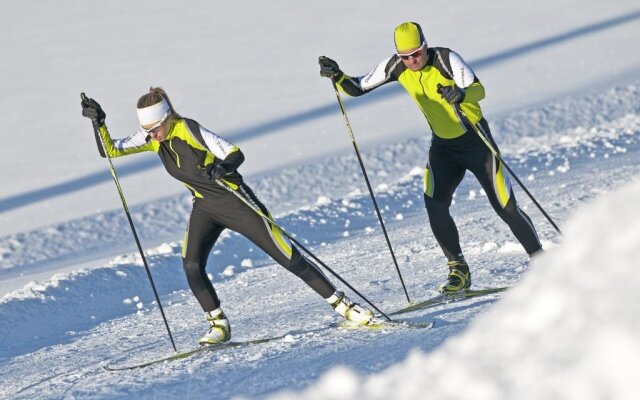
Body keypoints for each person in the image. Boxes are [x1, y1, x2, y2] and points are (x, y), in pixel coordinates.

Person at [81, 87, 374, 345]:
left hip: (235, 201)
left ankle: (345, 307)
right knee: (191, 264)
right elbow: (110, 150)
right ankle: (218, 323)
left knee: (286, 255)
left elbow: (235, 153)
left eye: (156, 128)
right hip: (205, 207)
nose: (152, 135)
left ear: (168, 117)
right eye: (147, 130)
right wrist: (99, 122)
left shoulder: (189, 129)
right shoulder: (153, 137)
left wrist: (222, 168)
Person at [319, 22, 542, 294]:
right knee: (435, 204)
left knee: (505, 207)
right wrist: (337, 75)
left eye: (416, 53)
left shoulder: (446, 59)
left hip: (476, 143)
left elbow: (479, 90)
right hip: (444, 149)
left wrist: (460, 94)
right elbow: (356, 88)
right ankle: (458, 270)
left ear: (425, 46)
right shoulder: (396, 66)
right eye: (405, 56)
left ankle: (542, 263)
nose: (412, 60)